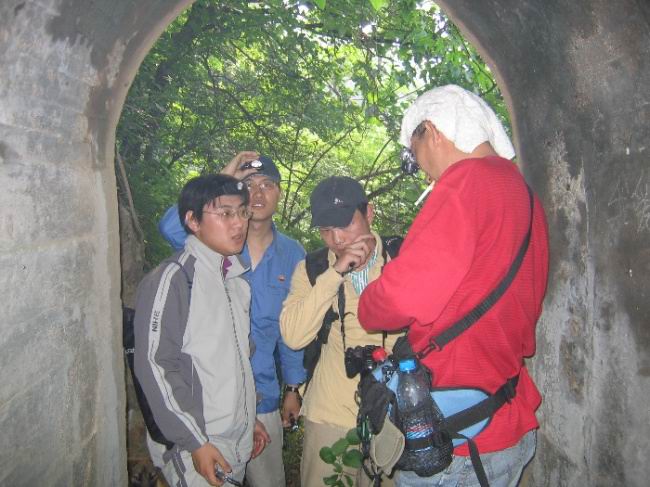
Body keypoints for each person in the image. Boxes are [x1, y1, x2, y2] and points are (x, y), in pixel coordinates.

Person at [357, 84, 549, 486]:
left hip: (453, 439)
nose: (422, 171)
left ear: (433, 131)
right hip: (502, 410)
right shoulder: (525, 196)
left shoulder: (466, 183)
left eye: (414, 155)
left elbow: (401, 298)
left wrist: (368, 300)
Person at [158, 153, 306, 487]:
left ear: (279, 192)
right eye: (248, 185)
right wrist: (222, 180)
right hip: (212, 400)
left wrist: (293, 388)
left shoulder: (293, 254)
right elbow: (170, 227)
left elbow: (291, 328)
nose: (258, 193)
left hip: (263, 394)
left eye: (267, 185)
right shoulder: (215, 241)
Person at [134, 174, 268, 486]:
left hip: (234, 441)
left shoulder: (235, 281)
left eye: (242, 212)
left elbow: (235, 362)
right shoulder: (175, 279)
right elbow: (154, 364)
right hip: (196, 446)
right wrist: (195, 442)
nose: (239, 223)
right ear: (193, 221)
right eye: (225, 213)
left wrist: (248, 418)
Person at [280, 176, 401, 487]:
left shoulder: (403, 257)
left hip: (394, 413)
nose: (336, 239)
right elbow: (293, 335)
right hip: (329, 414)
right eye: (325, 229)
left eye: (345, 224)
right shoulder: (313, 268)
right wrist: (335, 274)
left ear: (369, 213)